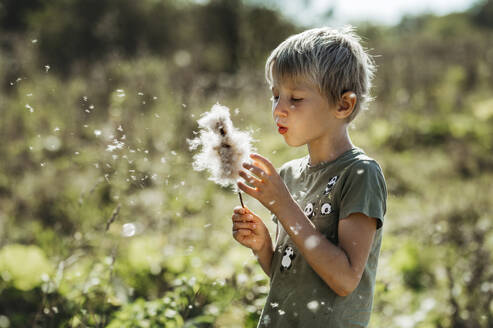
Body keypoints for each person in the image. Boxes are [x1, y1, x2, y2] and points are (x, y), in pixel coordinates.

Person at [231, 26, 387, 327]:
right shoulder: (289, 174)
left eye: (296, 99)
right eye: (275, 96)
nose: (279, 110)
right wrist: (264, 246)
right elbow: (290, 272)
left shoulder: (360, 174)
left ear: (343, 104)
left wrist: (283, 205)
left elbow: (344, 280)